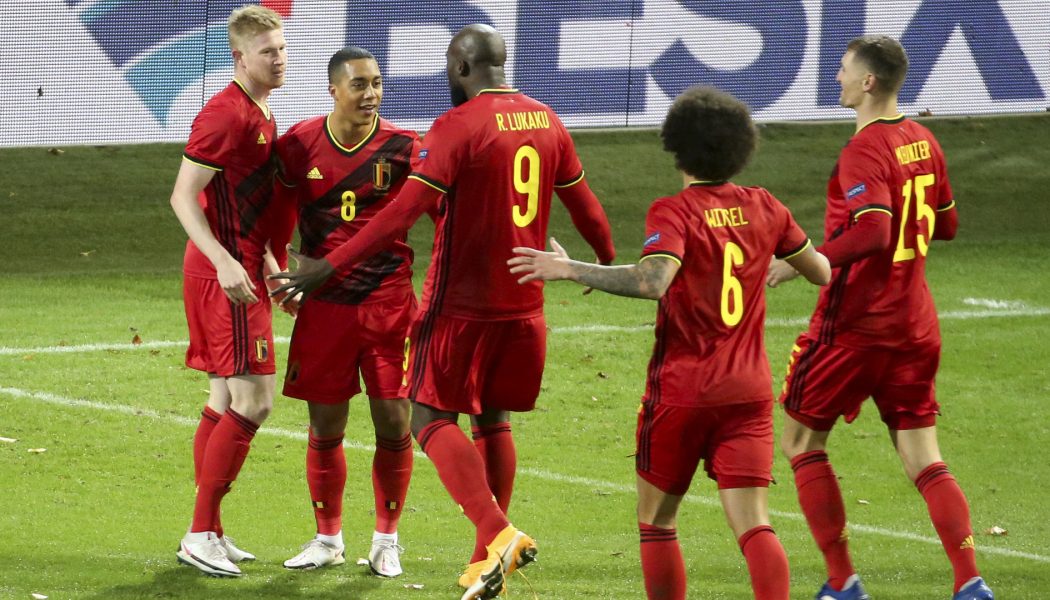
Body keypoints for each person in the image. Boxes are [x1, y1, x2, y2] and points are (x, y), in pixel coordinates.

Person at [270, 23, 615, 600]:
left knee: (426, 418)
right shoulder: (548, 119)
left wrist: (327, 266)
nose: (372, 93)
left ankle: (494, 534)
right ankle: (484, 560)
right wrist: (599, 263)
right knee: (494, 422)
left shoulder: (453, 126)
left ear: (459, 69)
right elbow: (585, 205)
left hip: (458, 306)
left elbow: (402, 214)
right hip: (524, 305)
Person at [510, 86, 830, 600]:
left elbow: (653, 280)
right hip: (747, 394)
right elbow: (821, 271)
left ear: (676, 147)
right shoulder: (766, 206)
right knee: (754, 524)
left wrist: (569, 268)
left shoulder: (675, 212)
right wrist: (781, 262)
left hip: (682, 393)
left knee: (658, 521)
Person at [766, 35, 994, 600]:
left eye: (844, 70)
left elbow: (874, 231)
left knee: (801, 442)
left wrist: (802, 262)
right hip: (914, 324)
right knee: (924, 456)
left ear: (868, 82)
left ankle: (842, 583)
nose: (836, 78)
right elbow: (947, 225)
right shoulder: (924, 139)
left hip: (854, 326)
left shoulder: (863, 150)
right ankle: (970, 582)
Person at [273, 47, 419, 577]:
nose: (371, 94)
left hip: (388, 303)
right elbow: (274, 211)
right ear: (333, 90)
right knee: (325, 424)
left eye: (376, 83)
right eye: (359, 84)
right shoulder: (299, 145)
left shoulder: (405, 148)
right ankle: (327, 538)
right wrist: (278, 270)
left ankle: (386, 540)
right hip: (326, 308)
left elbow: (444, 211)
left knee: (394, 419)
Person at [168, 4, 288, 578]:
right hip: (224, 277)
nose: (279, 59)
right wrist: (225, 263)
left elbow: (243, 205)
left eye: (282, 48)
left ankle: (209, 529)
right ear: (239, 57)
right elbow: (182, 196)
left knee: (223, 400)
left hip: (240, 267)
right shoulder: (224, 115)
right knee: (254, 401)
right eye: (268, 52)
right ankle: (198, 534)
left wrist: (268, 264)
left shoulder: (259, 109)